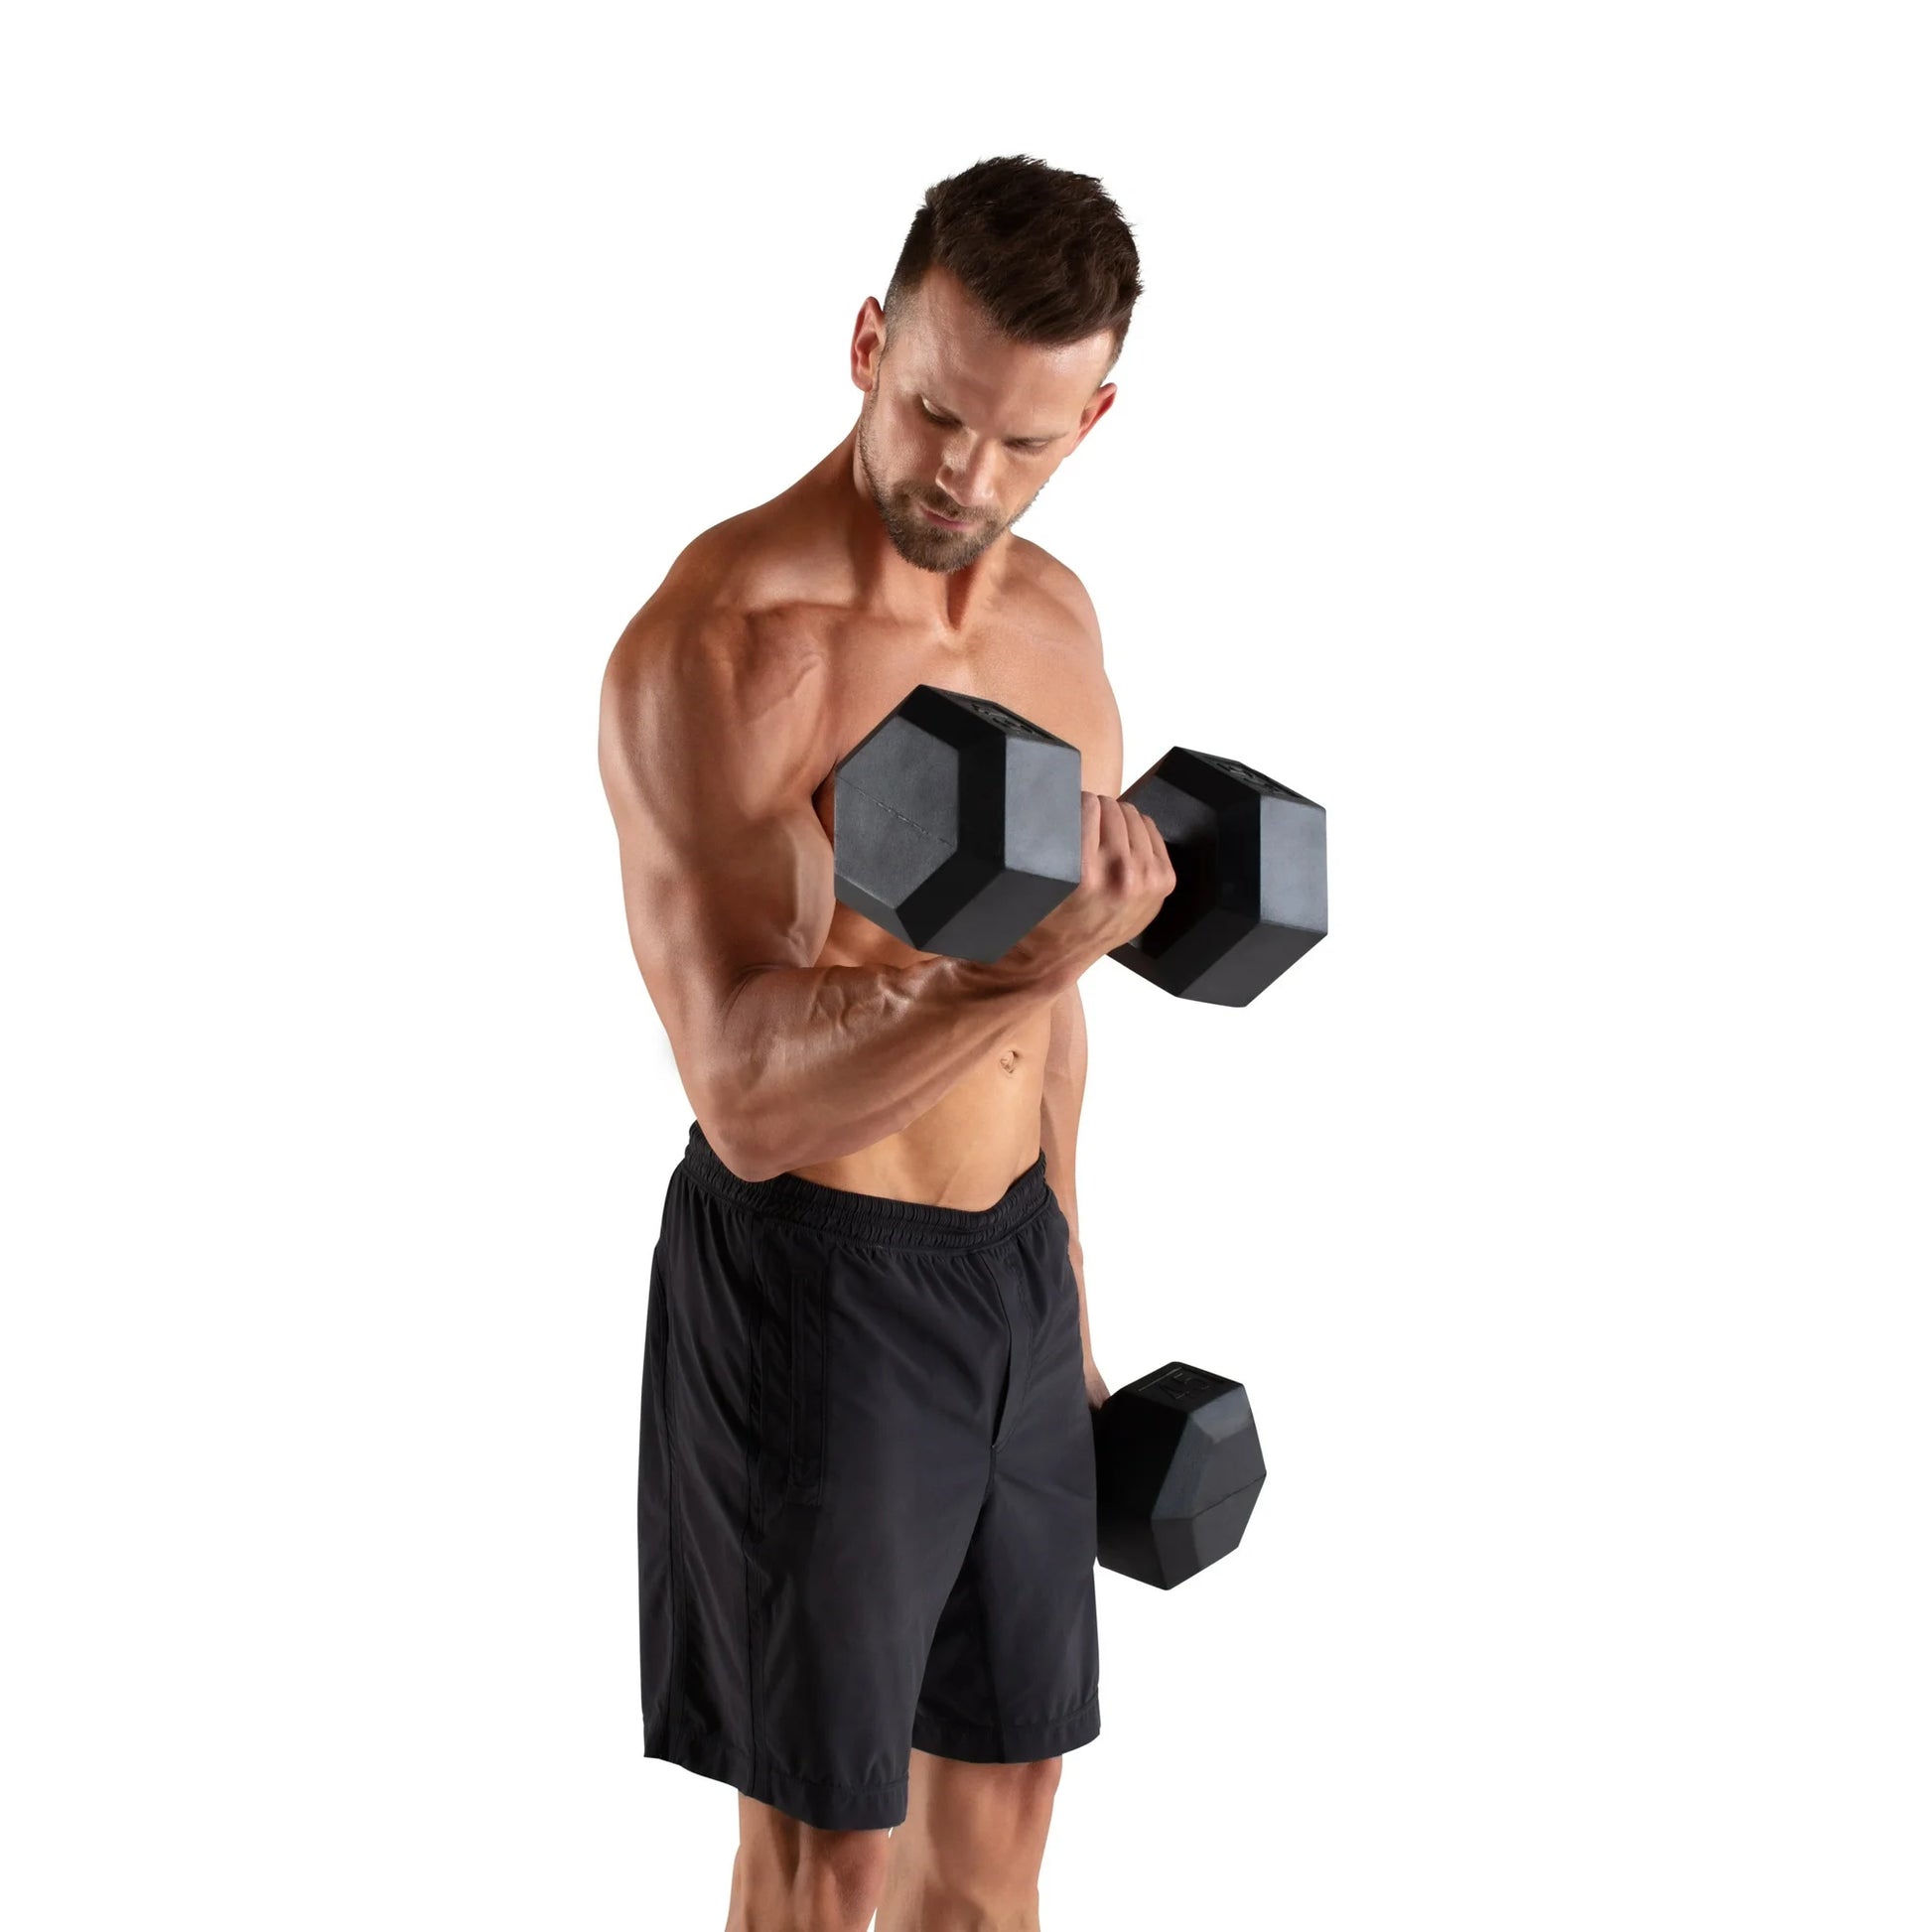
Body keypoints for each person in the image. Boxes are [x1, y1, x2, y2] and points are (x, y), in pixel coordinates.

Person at [599, 154, 1173, 1932]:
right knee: (824, 1854)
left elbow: (1055, 1022)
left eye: (1022, 441)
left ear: (1092, 416)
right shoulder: (725, 647)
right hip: (813, 1285)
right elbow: (744, 1093)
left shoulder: (1055, 621)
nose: (964, 476)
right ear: (869, 341)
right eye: (934, 411)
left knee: (1003, 1818)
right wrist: (1000, 977)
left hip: (1007, 1281)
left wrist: (1067, 1310)